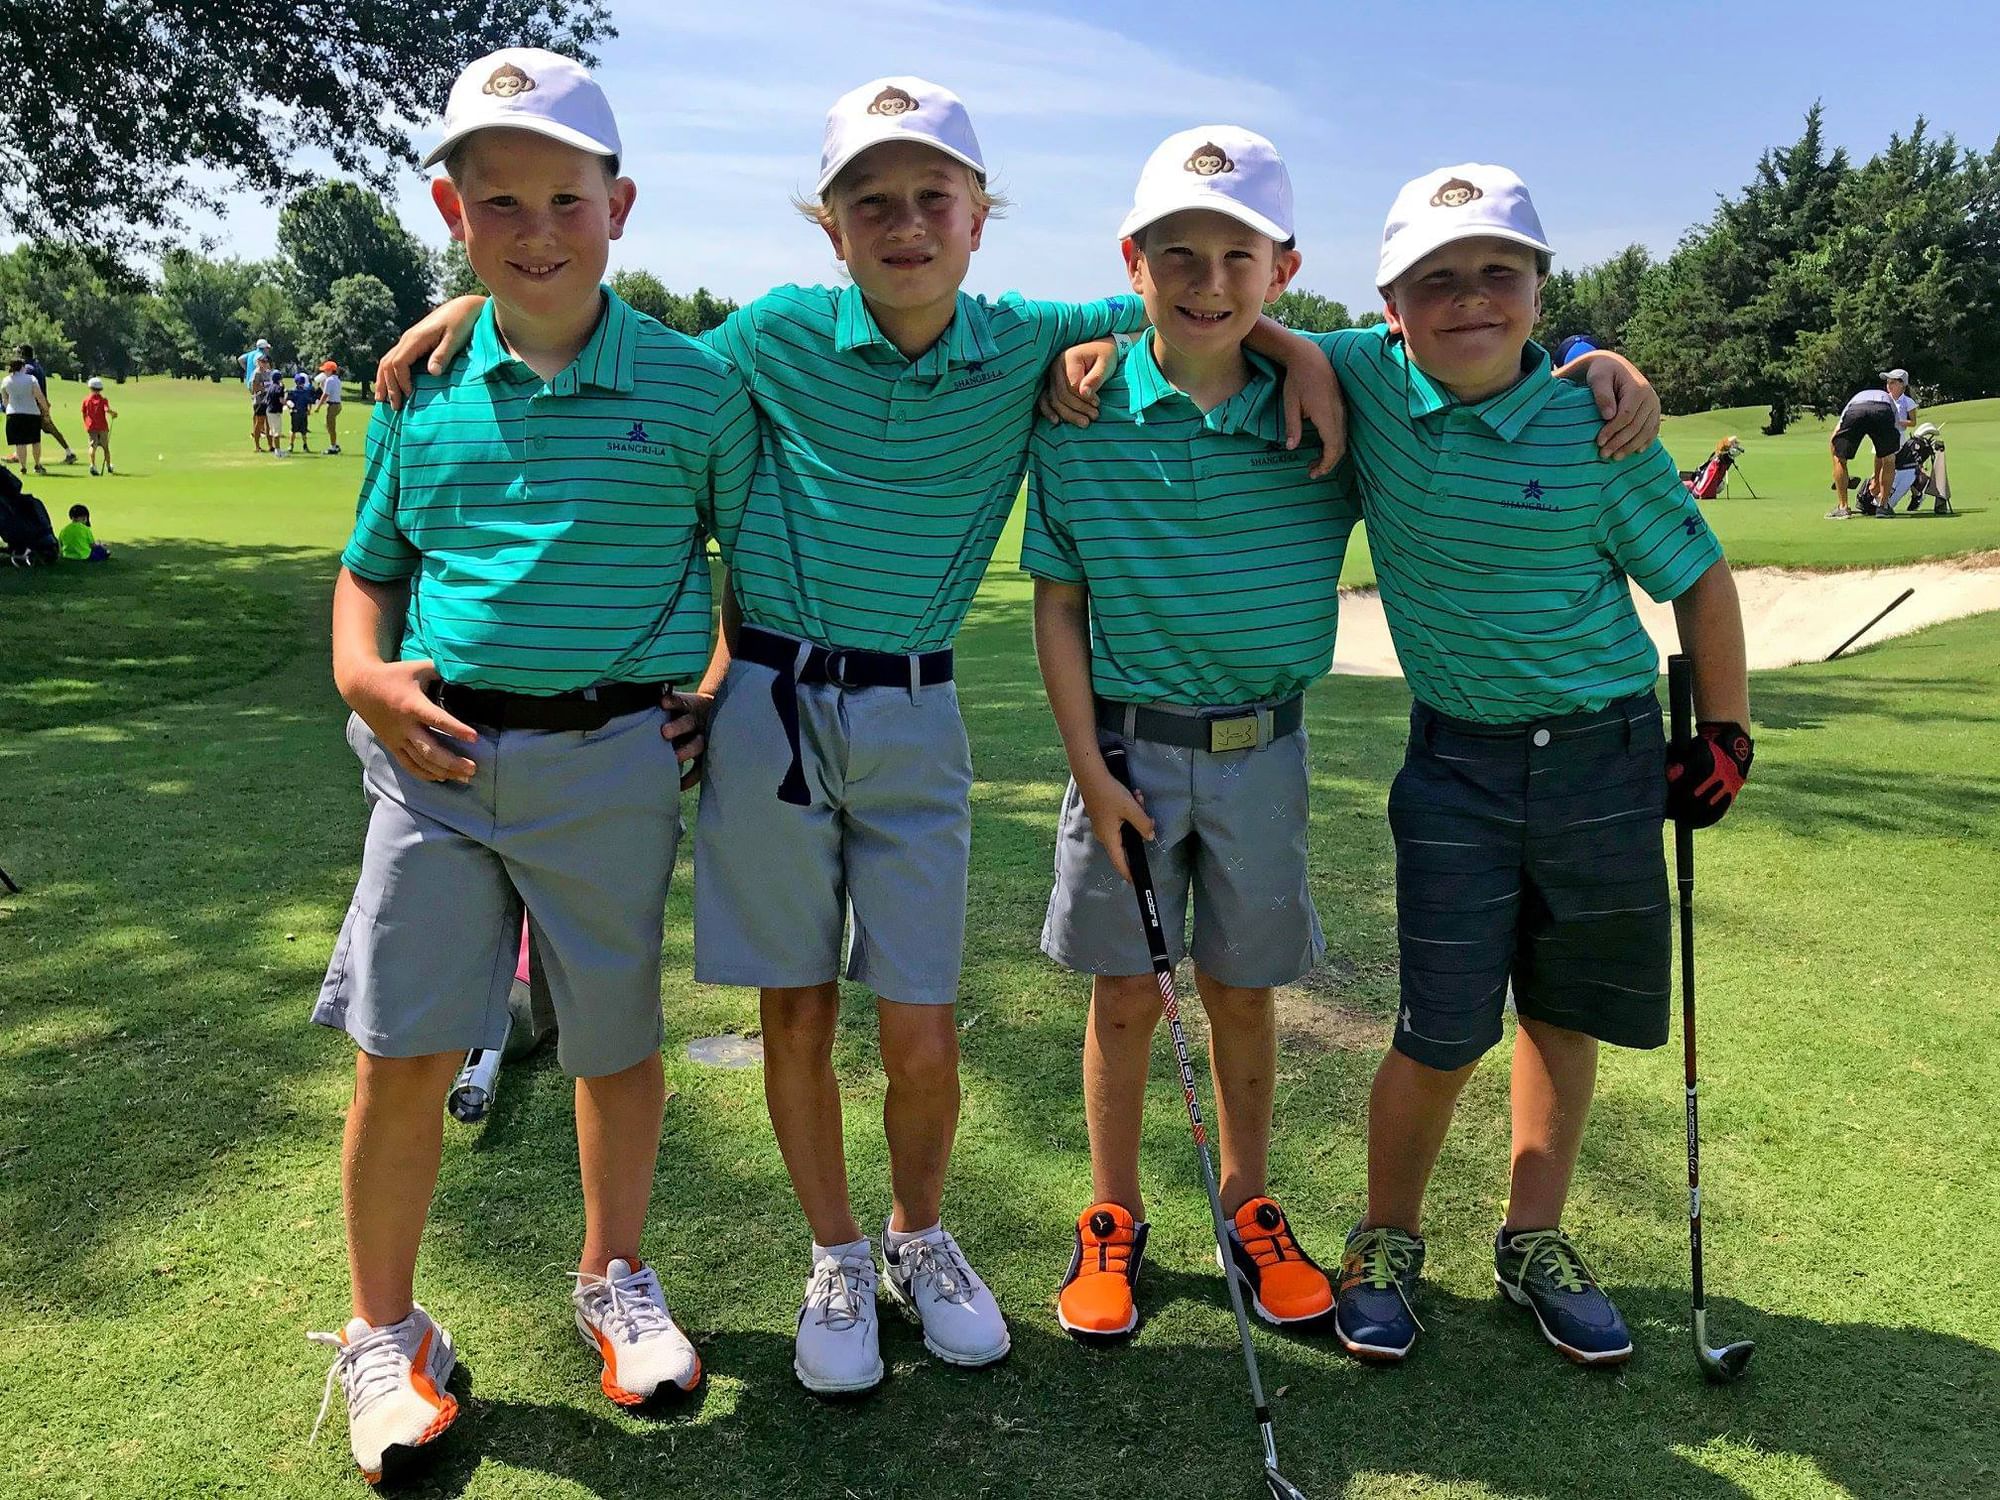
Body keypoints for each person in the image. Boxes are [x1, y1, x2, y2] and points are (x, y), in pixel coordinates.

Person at [377, 74, 1347, 1401]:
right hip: (768, 707)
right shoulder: (771, 337)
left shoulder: (1024, 340)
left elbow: (1195, 303)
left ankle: (919, 1236)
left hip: (915, 711)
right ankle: (836, 1254)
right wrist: (472, 305)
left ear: (977, 220)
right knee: (797, 1005)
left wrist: (1300, 348)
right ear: (829, 226)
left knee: (920, 1023)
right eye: (870, 202)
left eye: (930, 199)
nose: (904, 224)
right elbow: (599, 339)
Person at [306, 48, 757, 1485]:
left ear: (620, 207)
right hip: (427, 769)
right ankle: (389, 1332)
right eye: (500, 202)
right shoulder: (420, 387)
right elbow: (369, 573)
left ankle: (612, 1276)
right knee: (401, 1055)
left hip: (613, 760)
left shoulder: (695, 388)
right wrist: (357, 674)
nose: (537, 227)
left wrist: (719, 678)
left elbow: (749, 557)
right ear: (453, 211)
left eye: (567, 196)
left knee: (616, 1048)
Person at [1292, 164, 1749, 1370]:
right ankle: (1384, 1239)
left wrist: (1725, 731)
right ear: (1389, 305)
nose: (1468, 301)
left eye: (1498, 273)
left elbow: (1695, 576)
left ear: (1539, 290)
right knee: (1438, 1028)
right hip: (1456, 766)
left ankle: (1530, 1240)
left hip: (1602, 755)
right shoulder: (1367, 381)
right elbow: (1243, 321)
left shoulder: (1596, 420)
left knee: (1563, 1013)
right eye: (1434, 281)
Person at [1025, 128, 1356, 1343]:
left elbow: (1465, 354)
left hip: (1262, 751)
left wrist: (1596, 362)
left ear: (1282, 267)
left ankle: (1246, 1202)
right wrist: (1084, 769)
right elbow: (1057, 607)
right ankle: (1109, 1215)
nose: (1207, 281)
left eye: (1237, 256)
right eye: (1178, 254)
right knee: (1123, 993)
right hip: (1122, 751)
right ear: (1133, 257)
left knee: (1243, 990)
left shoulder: (1337, 395)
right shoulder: (1078, 405)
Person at [1827, 370, 1907, 520]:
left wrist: (1838, 462)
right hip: (1882, 411)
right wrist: (1876, 477)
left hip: (1856, 410)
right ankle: (1883, 507)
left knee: (1839, 456)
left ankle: (1843, 507)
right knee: (1889, 458)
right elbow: (1884, 452)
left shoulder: (1855, 399)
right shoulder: (1888, 400)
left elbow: (1833, 440)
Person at [17, 345, 78, 464]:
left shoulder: (28, 368)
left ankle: (20, 456)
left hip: (34, 405)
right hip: (41, 403)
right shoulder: (37, 365)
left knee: (26, 429)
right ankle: (69, 452)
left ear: (23, 354)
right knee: (46, 428)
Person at [4, 357, 47, 474]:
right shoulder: (31, 379)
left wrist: (9, 407)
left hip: (14, 413)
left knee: (20, 442)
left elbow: (5, 399)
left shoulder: (6, 380)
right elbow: (39, 396)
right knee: (35, 441)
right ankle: (37, 464)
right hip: (31, 412)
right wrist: (45, 408)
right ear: (22, 367)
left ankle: (23, 466)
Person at [81, 377, 116, 475]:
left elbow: (83, 413)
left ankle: (92, 465)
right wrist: (113, 414)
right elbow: (106, 409)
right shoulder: (103, 400)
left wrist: (86, 423)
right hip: (103, 427)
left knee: (93, 446)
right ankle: (109, 466)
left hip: (91, 427)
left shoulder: (86, 400)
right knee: (106, 448)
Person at [285, 371, 316, 453]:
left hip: (295, 413)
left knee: (293, 430)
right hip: (303, 413)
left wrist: (290, 408)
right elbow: (309, 401)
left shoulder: (292, 391)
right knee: (303, 431)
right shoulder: (306, 391)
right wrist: (309, 410)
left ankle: (291, 445)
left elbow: (287, 401)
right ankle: (305, 446)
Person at [317, 360, 345, 453]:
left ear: (329, 370)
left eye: (325, 370)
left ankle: (333, 446)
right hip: (338, 405)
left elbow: (325, 395)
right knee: (328, 425)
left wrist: (318, 407)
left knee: (331, 426)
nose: (324, 372)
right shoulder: (337, 379)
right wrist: (322, 386)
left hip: (333, 405)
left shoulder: (329, 380)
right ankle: (334, 443)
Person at [264, 370, 288, 455]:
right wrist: (288, 403)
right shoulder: (279, 387)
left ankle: (276, 449)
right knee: (277, 431)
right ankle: (278, 451)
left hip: (269, 410)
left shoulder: (270, 387)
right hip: (275, 411)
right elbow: (281, 400)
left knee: (273, 431)